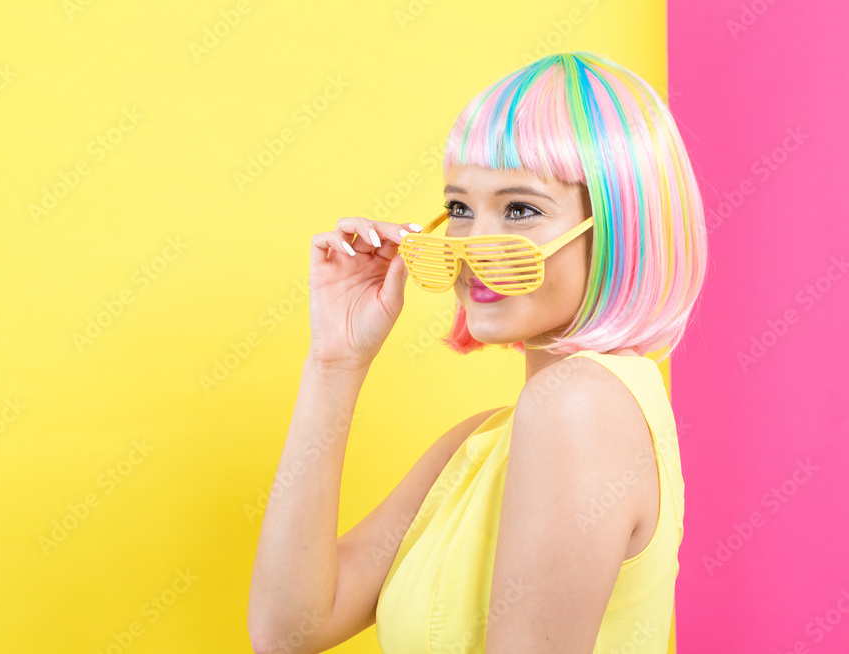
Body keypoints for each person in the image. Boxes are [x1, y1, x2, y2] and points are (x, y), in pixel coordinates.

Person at [248, 51, 707, 654]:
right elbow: (289, 630)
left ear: (617, 227)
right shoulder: (484, 442)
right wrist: (335, 362)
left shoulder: (579, 405)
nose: (473, 245)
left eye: (520, 209)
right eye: (461, 209)